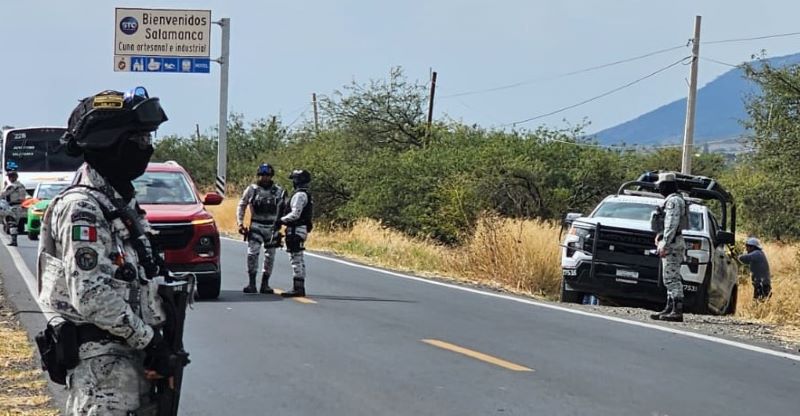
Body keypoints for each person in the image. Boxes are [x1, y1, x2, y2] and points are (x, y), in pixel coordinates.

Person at [37, 87, 175, 415]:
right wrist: (149, 340)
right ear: (109, 144)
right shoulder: (82, 207)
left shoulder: (117, 203)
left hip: (128, 361)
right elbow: (91, 294)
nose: (147, 148)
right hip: (103, 374)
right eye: (138, 140)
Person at [236, 163, 287, 294]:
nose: (264, 178)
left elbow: (285, 208)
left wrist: (282, 223)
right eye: (262, 175)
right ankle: (251, 283)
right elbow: (242, 205)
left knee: (270, 256)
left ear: (271, 176)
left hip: (272, 227)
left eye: (267, 175)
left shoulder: (279, 191)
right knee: (252, 254)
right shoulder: (252, 190)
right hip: (256, 225)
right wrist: (240, 223)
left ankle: (265, 284)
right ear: (258, 175)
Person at [650, 172, 688, 322]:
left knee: (672, 278)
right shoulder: (675, 200)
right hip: (673, 241)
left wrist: (665, 242)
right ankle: (669, 307)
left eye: (660, 186)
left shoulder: (673, 201)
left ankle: (677, 310)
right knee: (668, 277)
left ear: (666, 186)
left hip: (672, 244)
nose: (659, 189)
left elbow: (671, 223)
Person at [279, 169, 313, 297]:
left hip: (296, 229)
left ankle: (298, 287)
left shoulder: (300, 195)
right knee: (298, 257)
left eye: (294, 179)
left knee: (295, 258)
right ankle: (299, 286)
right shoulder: (304, 194)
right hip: (299, 228)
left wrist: (281, 220)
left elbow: (295, 214)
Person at [1, 168, 27, 246]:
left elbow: (2, 195)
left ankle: (14, 241)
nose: (9, 178)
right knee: (14, 224)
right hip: (20, 206)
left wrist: (4, 187)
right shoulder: (21, 185)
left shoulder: (12, 186)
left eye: (10, 177)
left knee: (11, 223)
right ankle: (14, 240)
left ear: (14, 177)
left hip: (13, 206)